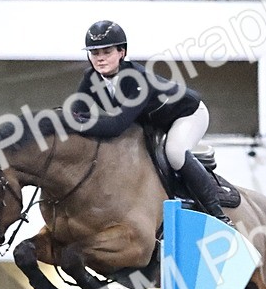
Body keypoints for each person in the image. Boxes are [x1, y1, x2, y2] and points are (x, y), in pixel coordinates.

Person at [71, 20, 233, 225]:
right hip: (151, 122)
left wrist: (77, 123)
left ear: (121, 52)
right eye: (95, 53)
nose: (100, 59)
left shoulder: (136, 79)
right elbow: (76, 114)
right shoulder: (91, 78)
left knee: (174, 152)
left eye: (107, 52)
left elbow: (116, 126)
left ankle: (218, 215)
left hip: (187, 114)